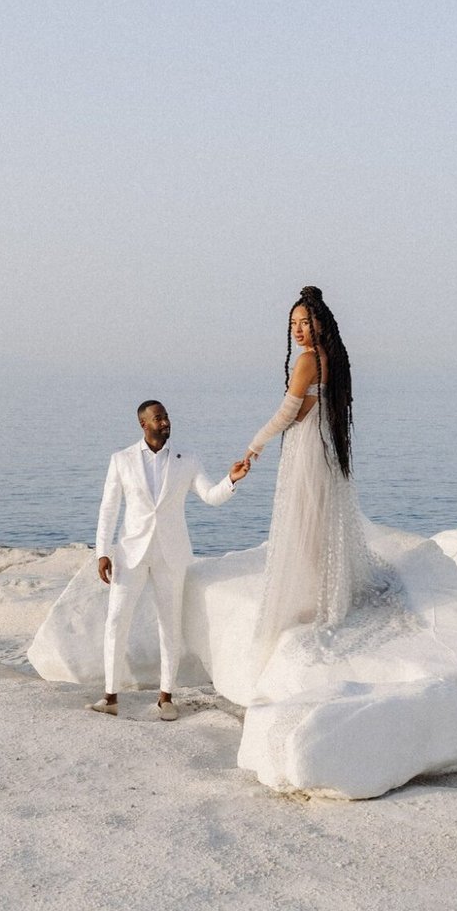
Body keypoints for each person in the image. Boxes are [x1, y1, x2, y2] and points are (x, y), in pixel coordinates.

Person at [241, 285, 402, 691]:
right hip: (326, 445)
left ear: (320, 323)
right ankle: (328, 589)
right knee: (320, 521)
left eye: (304, 322)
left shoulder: (308, 361)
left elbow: (287, 412)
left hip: (308, 448)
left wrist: (254, 446)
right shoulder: (334, 359)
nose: (297, 330)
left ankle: (320, 598)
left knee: (306, 522)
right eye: (292, 324)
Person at [88, 399, 250, 721]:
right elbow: (108, 509)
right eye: (158, 418)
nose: (165, 422)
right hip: (130, 553)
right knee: (116, 622)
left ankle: (166, 697)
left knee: (169, 625)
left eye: (166, 417)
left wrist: (231, 480)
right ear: (143, 424)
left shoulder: (186, 459)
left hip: (171, 554)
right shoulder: (121, 460)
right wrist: (102, 551)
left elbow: (209, 496)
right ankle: (110, 696)